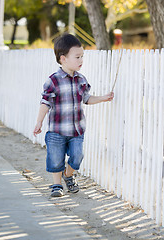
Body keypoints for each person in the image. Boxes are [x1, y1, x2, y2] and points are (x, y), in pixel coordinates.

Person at [33, 34, 114, 197]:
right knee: (56, 159)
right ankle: (57, 185)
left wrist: (103, 98)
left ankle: (68, 175)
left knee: (77, 156)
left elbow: (86, 99)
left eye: (82, 56)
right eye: (77, 57)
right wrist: (39, 122)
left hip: (77, 130)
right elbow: (45, 103)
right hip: (57, 130)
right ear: (63, 59)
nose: (81, 60)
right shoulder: (53, 81)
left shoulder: (81, 80)